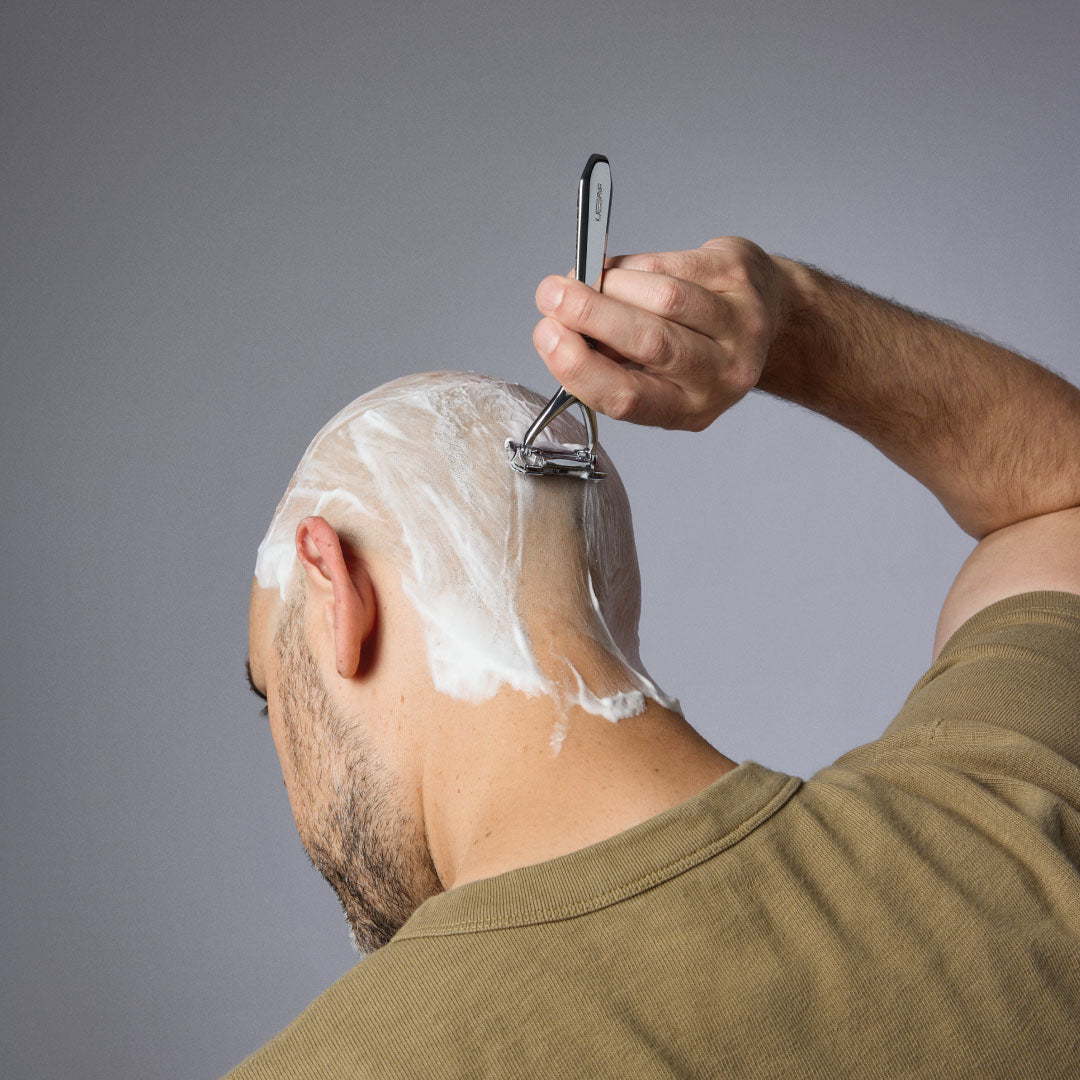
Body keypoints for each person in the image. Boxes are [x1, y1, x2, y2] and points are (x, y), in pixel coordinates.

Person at [230, 237, 1080, 1079]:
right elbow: (1057, 499)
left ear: (337, 589)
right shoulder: (1002, 836)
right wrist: (789, 320)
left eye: (273, 692)